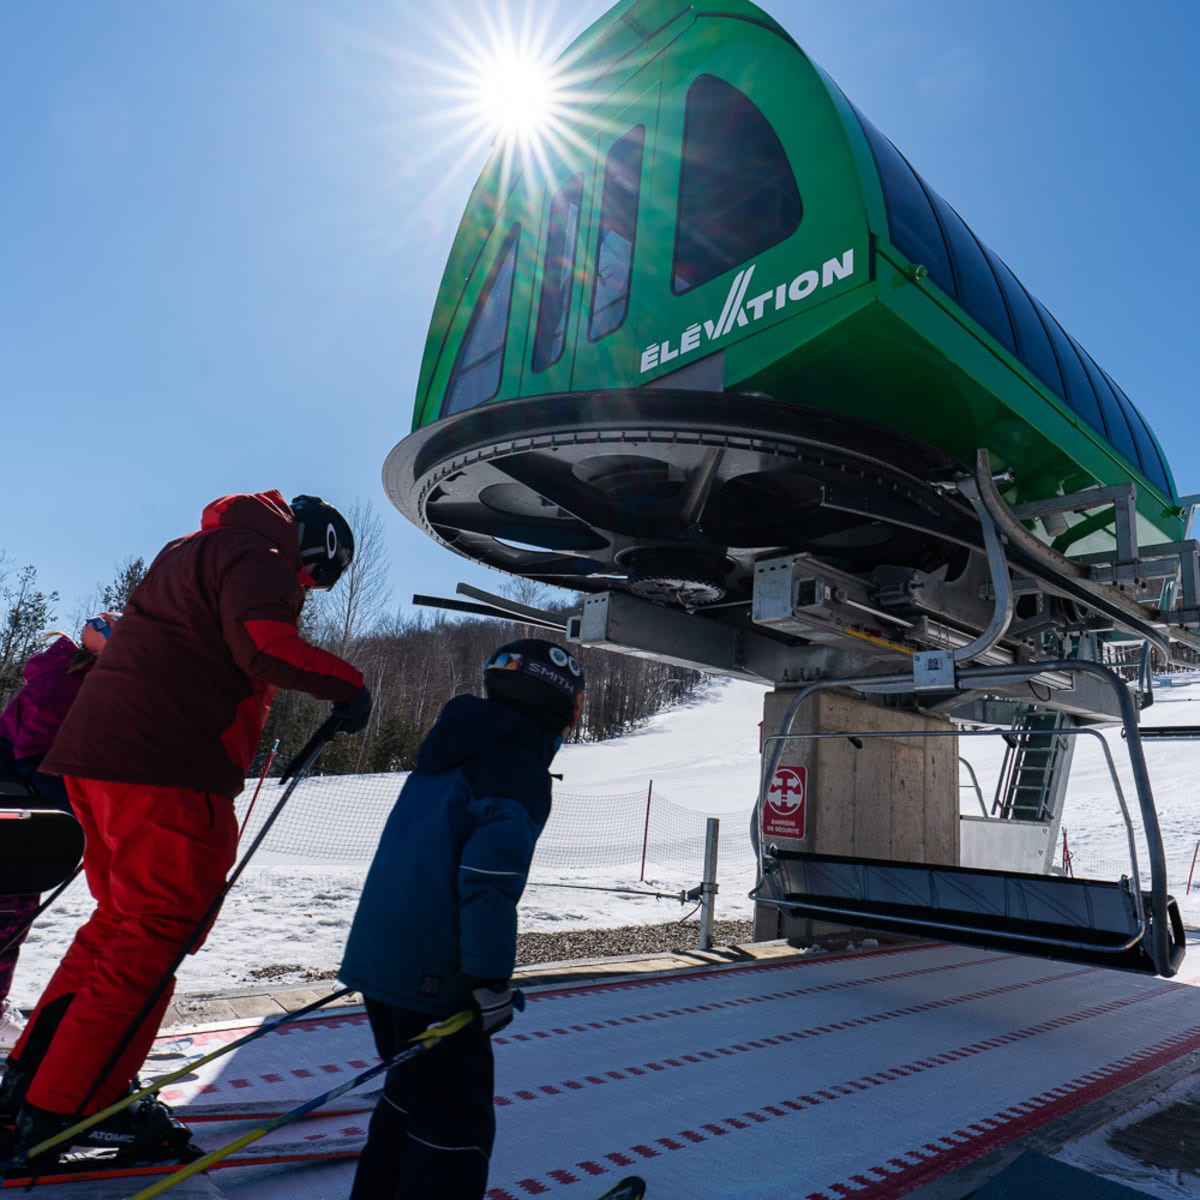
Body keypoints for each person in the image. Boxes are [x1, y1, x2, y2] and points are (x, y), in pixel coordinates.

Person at [3, 491, 372, 1163]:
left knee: (118, 925)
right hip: (168, 769)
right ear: (315, 551)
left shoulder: (193, 550)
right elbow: (265, 645)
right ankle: (70, 1109)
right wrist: (348, 685)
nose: (305, 591)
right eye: (315, 579)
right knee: (155, 934)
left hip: (98, 762)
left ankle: (33, 1083)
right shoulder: (263, 553)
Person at [338, 637, 585, 1200]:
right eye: (576, 705)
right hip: (437, 974)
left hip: (384, 962)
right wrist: (487, 979)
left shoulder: (453, 747)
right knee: (455, 1128)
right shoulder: (516, 766)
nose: (575, 721)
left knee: (407, 1101)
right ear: (554, 701)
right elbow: (488, 881)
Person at [0, 615, 119, 1052]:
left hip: (25, 815)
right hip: (15, 811)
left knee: (14, 910)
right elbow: (36, 756)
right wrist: (81, 809)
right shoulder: (65, 685)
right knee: (9, 913)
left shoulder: (78, 681)